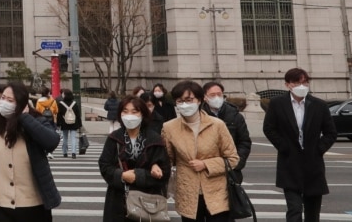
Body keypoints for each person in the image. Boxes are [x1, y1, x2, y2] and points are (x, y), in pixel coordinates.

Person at [0, 80, 61, 221]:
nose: (4, 103)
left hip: (32, 204)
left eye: (10, 100)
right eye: (3, 98)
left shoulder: (35, 120)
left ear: (21, 104)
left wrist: (24, 117)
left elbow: (51, 142)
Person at [262, 68, 336, 222]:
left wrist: (319, 149)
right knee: (294, 209)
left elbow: (331, 132)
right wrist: (283, 146)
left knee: (312, 212)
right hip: (289, 163)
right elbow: (269, 128)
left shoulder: (319, 105)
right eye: (297, 82)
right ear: (288, 84)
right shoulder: (277, 104)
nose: (301, 86)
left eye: (305, 82)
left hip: (313, 164)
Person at [162, 80, 239, 222]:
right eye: (180, 101)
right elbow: (167, 159)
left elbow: (233, 158)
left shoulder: (217, 125)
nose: (184, 104)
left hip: (217, 192)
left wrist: (206, 164)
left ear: (200, 100)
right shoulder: (169, 128)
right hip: (188, 192)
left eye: (189, 100)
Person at [98, 94, 169, 222]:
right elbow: (104, 165)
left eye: (134, 112)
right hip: (118, 201)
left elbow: (165, 172)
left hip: (148, 202)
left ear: (143, 114)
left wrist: (139, 175)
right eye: (125, 111)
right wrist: (121, 175)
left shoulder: (155, 139)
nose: (129, 115)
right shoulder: (114, 138)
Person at [202, 81, 251, 172]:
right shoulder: (199, 116)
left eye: (219, 94)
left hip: (230, 169)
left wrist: (237, 163)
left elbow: (244, 142)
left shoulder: (235, 116)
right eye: (212, 95)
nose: (216, 98)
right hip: (206, 168)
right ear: (205, 97)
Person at [57, 89, 82, 159]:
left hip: (64, 122)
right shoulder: (74, 103)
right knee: (73, 138)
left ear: (64, 95)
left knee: (65, 138)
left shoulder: (61, 103)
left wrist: (58, 124)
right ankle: (73, 153)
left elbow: (59, 114)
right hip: (73, 122)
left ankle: (65, 152)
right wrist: (80, 124)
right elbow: (78, 114)